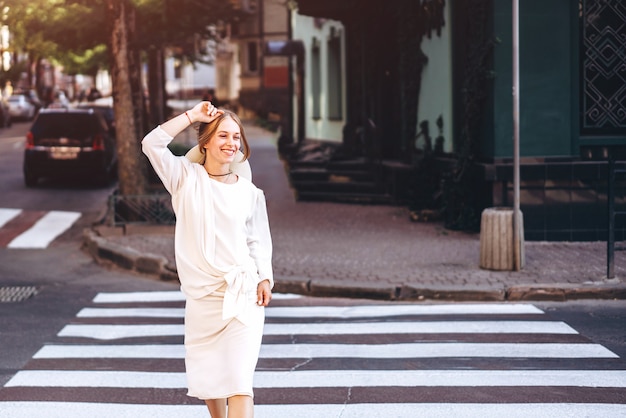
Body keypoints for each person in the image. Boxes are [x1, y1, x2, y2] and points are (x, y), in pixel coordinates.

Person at [141, 101, 273, 418]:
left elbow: (258, 240)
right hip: (202, 297)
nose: (231, 143)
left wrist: (265, 276)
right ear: (206, 142)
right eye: (223, 136)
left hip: (243, 295)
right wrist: (193, 116)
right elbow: (151, 144)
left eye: (236, 137)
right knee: (211, 380)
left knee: (241, 383)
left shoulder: (250, 192)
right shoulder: (185, 179)